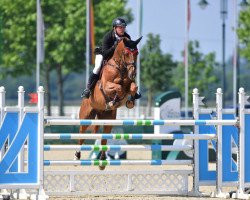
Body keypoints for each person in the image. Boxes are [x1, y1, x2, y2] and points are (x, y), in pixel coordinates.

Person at [81, 17, 141, 100]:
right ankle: (88, 89)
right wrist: (114, 47)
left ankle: (133, 90)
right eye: (120, 27)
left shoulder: (127, 37)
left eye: (123, 27)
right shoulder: (108, 36)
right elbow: (105, 54)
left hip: (118, 58)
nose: (122, 29)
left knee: (129, 67)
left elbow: (128, 50)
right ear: (114, 28)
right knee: (97, 67)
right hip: (103, 53)